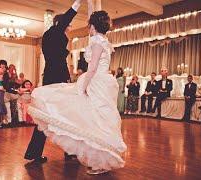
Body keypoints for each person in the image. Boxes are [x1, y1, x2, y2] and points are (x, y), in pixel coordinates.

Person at [27, 6, 127, 175]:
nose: (69, 28)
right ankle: (90, 156)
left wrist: (83, 84)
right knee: (81, 115)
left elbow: (93, 67)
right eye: (67, 26)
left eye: (89, 26)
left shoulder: (96, 41)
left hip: (93, 81)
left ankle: (90, 156)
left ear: (93, 27)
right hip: (85, 80)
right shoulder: (101, 41)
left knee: (84, 117)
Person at [24, 0, 84, 164]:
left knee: (49, 116)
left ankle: (35, 153)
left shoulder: (52, 36)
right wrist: (78, 3)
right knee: (62, 115)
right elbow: (66, 18)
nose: (69, 28)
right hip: (56, 82)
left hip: (53, 79)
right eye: (68, 25)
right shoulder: (55, 32)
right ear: (61, 23)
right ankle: (69, 151)